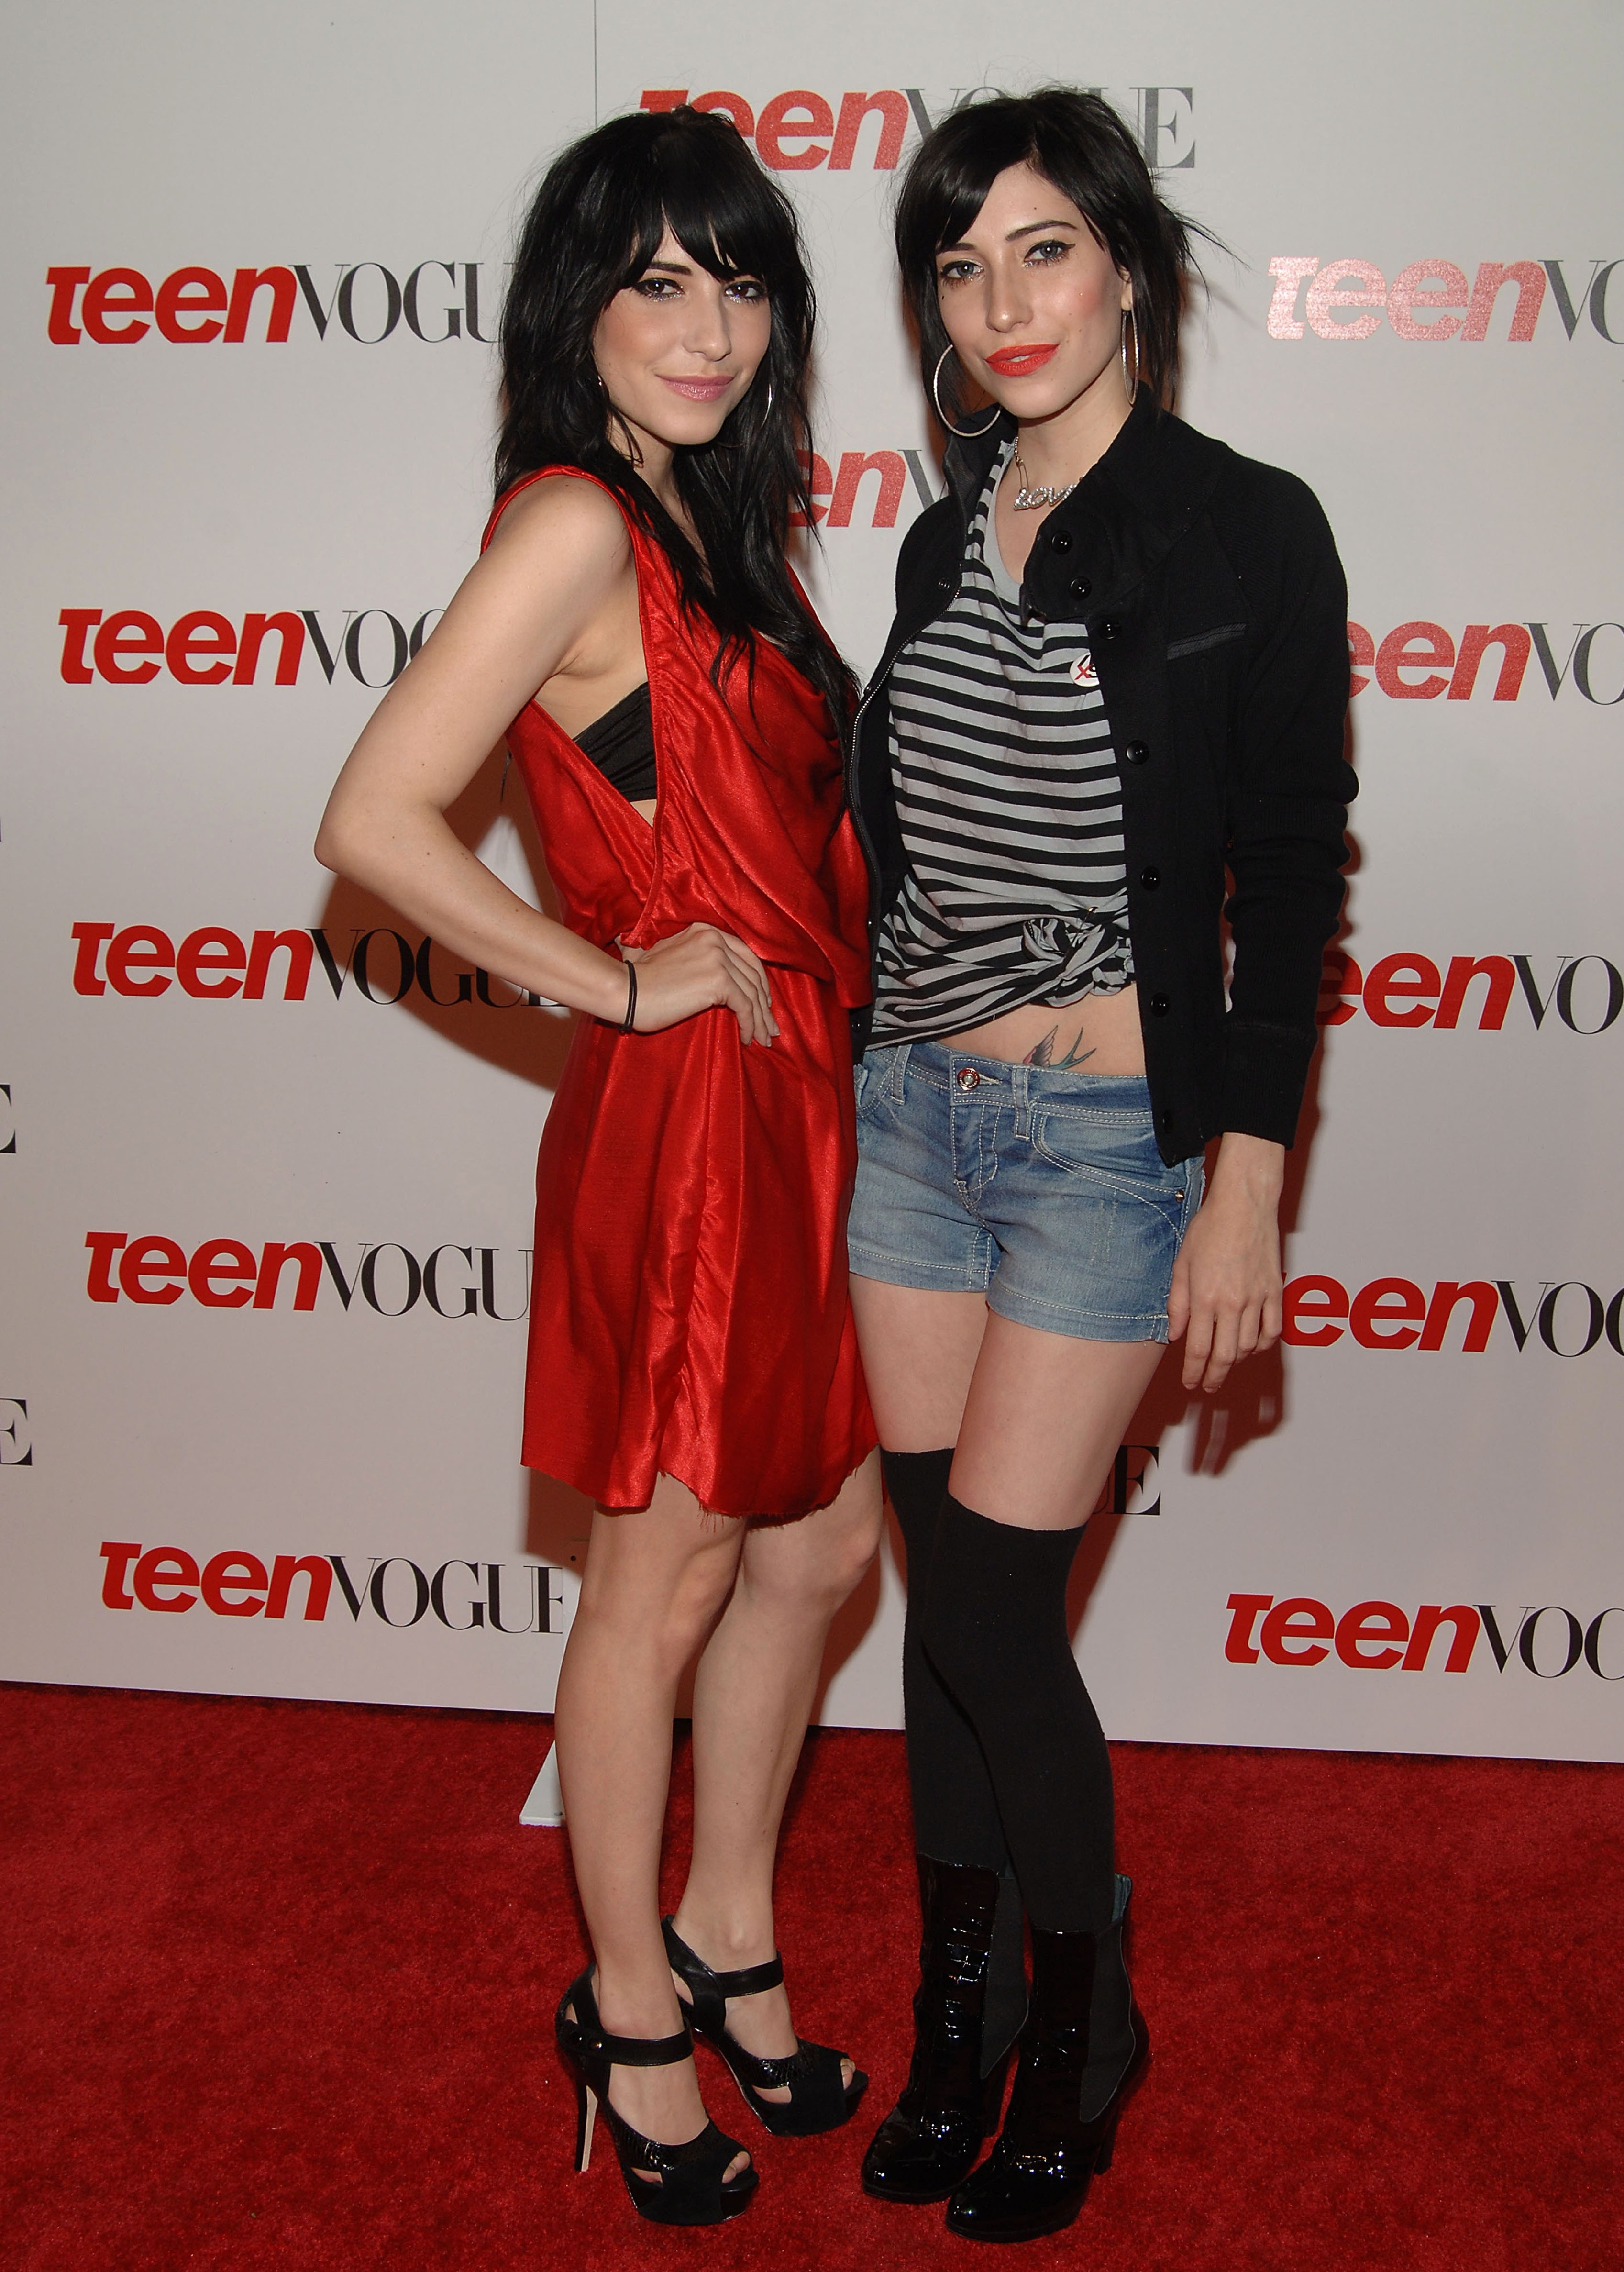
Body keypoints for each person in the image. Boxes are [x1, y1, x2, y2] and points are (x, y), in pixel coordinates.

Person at [315, 107, 882, 2230]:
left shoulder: (716, 524)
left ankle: (728, 1920)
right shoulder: (574, 521)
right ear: (580, 309)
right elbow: (375, 817)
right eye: (658, 280)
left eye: (740, 281)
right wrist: (620, 980)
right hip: (698, 1119)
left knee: (821, 1548)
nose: (708, 326)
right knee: (666, 1578)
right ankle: (630, 2006)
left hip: (806, 1097)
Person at [844, 90, 1356, 2244]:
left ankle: (1079, 2022)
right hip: (908, 1120)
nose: (1002, 304)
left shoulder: (1247, 529)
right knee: (942, 1604)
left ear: (1128, 269)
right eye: (961, 269)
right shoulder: (936, 538)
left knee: (983, 1602)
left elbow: (1287, 870)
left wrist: (1244, 1179)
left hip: (1094, 1146)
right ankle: (954, 2019)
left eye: (1043, 249)